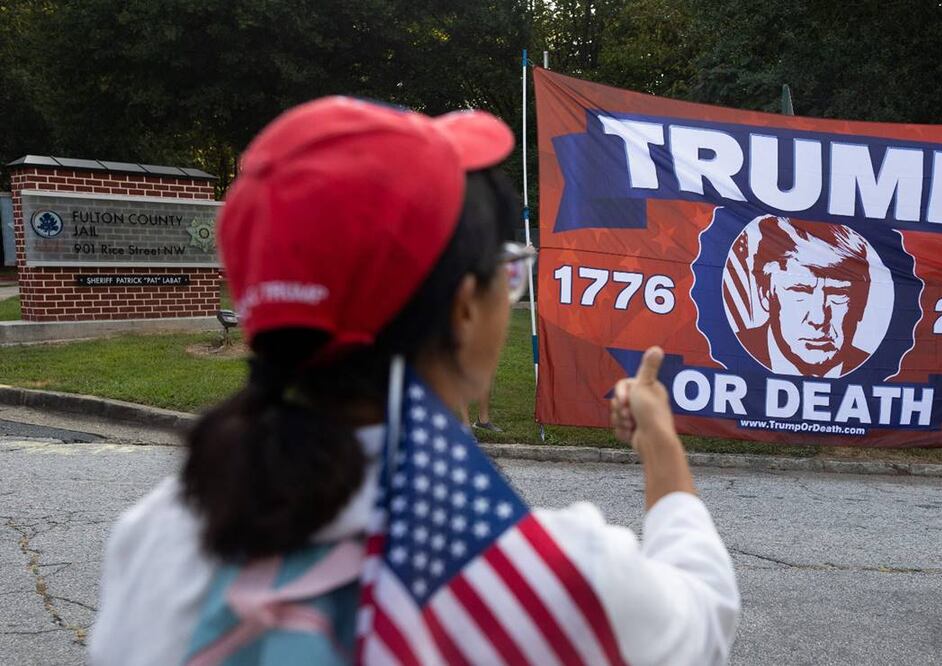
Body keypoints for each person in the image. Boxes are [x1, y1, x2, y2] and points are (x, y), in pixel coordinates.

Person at [89, 97, 739, 665]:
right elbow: (703, 615)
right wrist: (660, 440)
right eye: (508, 272)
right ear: (463, 309)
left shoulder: (154, 537)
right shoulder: (552, 580)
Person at [737, 215, 872, 377]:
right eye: (800, 290)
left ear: (861, 304)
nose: (819, 319)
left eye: (837, 293)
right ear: (765, 294)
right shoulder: (730, 351)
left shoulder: (878, 367)